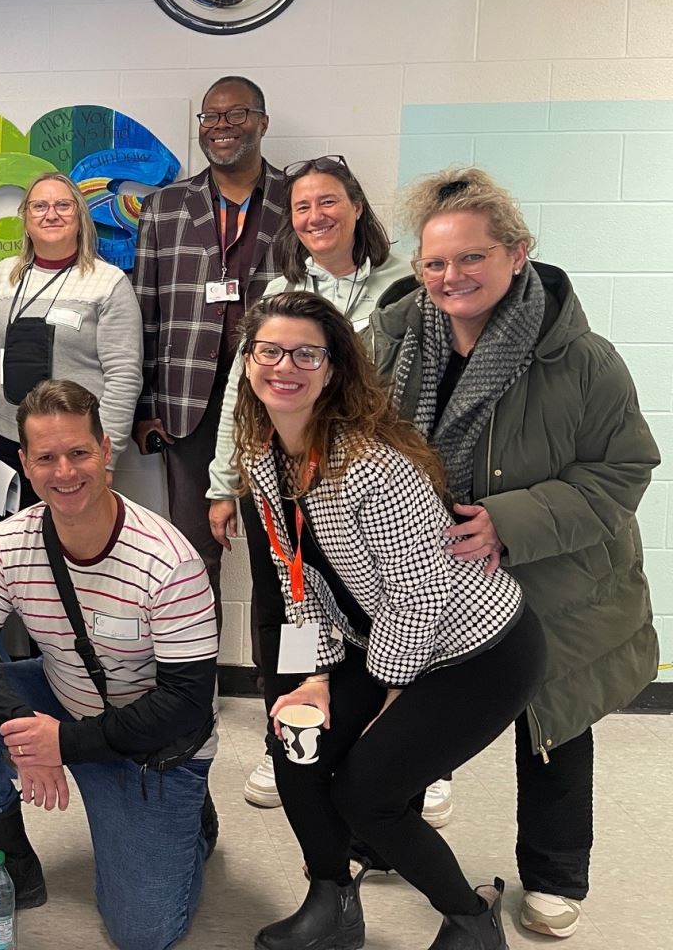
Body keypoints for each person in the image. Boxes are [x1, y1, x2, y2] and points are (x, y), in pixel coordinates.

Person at [371, 167, 659, 941]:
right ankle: (394, 827)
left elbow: (624, 470)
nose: (450, 277)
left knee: (554, 725)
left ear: (518, 253)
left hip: (556, 581)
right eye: (434, 262)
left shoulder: (583, 358)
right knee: (421, 713)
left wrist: (506, 521)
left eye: (471, 258)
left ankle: (557, 872)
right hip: (433, 573)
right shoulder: (394, 338)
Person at [231, 290, 545, 950]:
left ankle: (470, 916)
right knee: (297, 744)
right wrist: (313, 680)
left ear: (335, 368)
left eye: (306, 353)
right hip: (388, 643)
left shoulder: (375, 468)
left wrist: (388, 699)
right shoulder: (264, 461)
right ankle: (331, 901)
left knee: (368, 790)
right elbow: (297, 585)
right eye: (269, 350)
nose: (284, 366)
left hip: (479, 652)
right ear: (249, 361)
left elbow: (419, 598)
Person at [0, 380, 218, 950]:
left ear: (106, 449)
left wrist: (64, 745)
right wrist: (27, 732)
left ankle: (192, 820)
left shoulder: (170, 560)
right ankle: (9, 866)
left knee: (141, 934)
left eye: (78, 452)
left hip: (153, 742)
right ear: (25, 464)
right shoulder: (9, 543)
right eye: (47, 457)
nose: (65, 472)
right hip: (62, 704)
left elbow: (186, 703)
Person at [198, 157, 418, 813]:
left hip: (370, 489)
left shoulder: (407, 287)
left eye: (328, 202)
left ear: (356, 206)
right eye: (301, 207)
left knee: (387, 615)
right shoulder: (281, 295)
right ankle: (288, 740)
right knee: (286, 614)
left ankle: (412, 754)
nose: (316, 216)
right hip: (281, 483)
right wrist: (222, 482)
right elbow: (242, 390)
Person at [133, 76, 288, 608]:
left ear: (262, 122)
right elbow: (146, 312)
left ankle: (294, 687)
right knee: (195, 554)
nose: (221, 127)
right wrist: (146, 406)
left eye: (236, 114)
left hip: (279, 398)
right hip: (186, 405)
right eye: (210, 117)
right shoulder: (165, 207)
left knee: (289, 553)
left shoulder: (298, 201)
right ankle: (197, 689)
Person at [0, 170, 141, 503]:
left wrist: (107, 452)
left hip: (74, 451)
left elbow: (124, 378)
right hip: (9, 441)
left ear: (79, 216)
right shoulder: (5, 275)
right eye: (39, 206)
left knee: (73, 542)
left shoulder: (108, 282)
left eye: (63, 205)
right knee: (19, 540)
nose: (51, 214)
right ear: (26, 219)